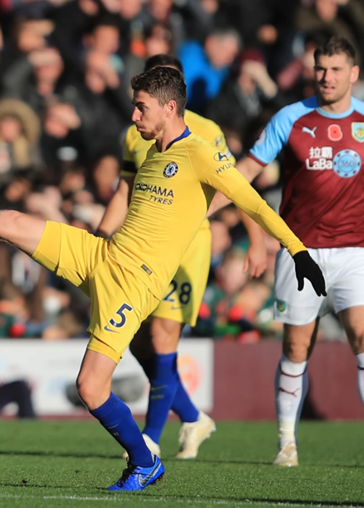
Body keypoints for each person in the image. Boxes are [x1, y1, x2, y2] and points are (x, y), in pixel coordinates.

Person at [0, 66, 326, 491]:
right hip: (102, 254)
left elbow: (254, 202)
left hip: (134, 284)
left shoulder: (201, 155)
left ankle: (144, 461)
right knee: (9, 221)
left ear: (169, 107)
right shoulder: (148, 150)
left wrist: (297, 250)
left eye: (141, 105)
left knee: (91, 388)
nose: (133, 114)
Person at [210, 36, 364, 468]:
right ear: (312, 70)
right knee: (296, 348)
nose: (327, 77)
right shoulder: (290, 119)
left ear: (353, 74)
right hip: (300, 252)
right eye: (320, 68)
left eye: (336, 69)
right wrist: (201, 210)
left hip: (357, 250)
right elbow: (245, 172)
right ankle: (286, 445)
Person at [95, 54, 268, 461]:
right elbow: (125, 188)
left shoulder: (206, 132)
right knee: (138, 343)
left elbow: (235, 185)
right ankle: (192, 416)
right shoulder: (134, 133)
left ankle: (150, 436)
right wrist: (103, 233)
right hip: (141, 245)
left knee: (162, 336)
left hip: (189, 244)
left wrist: (256, 240)